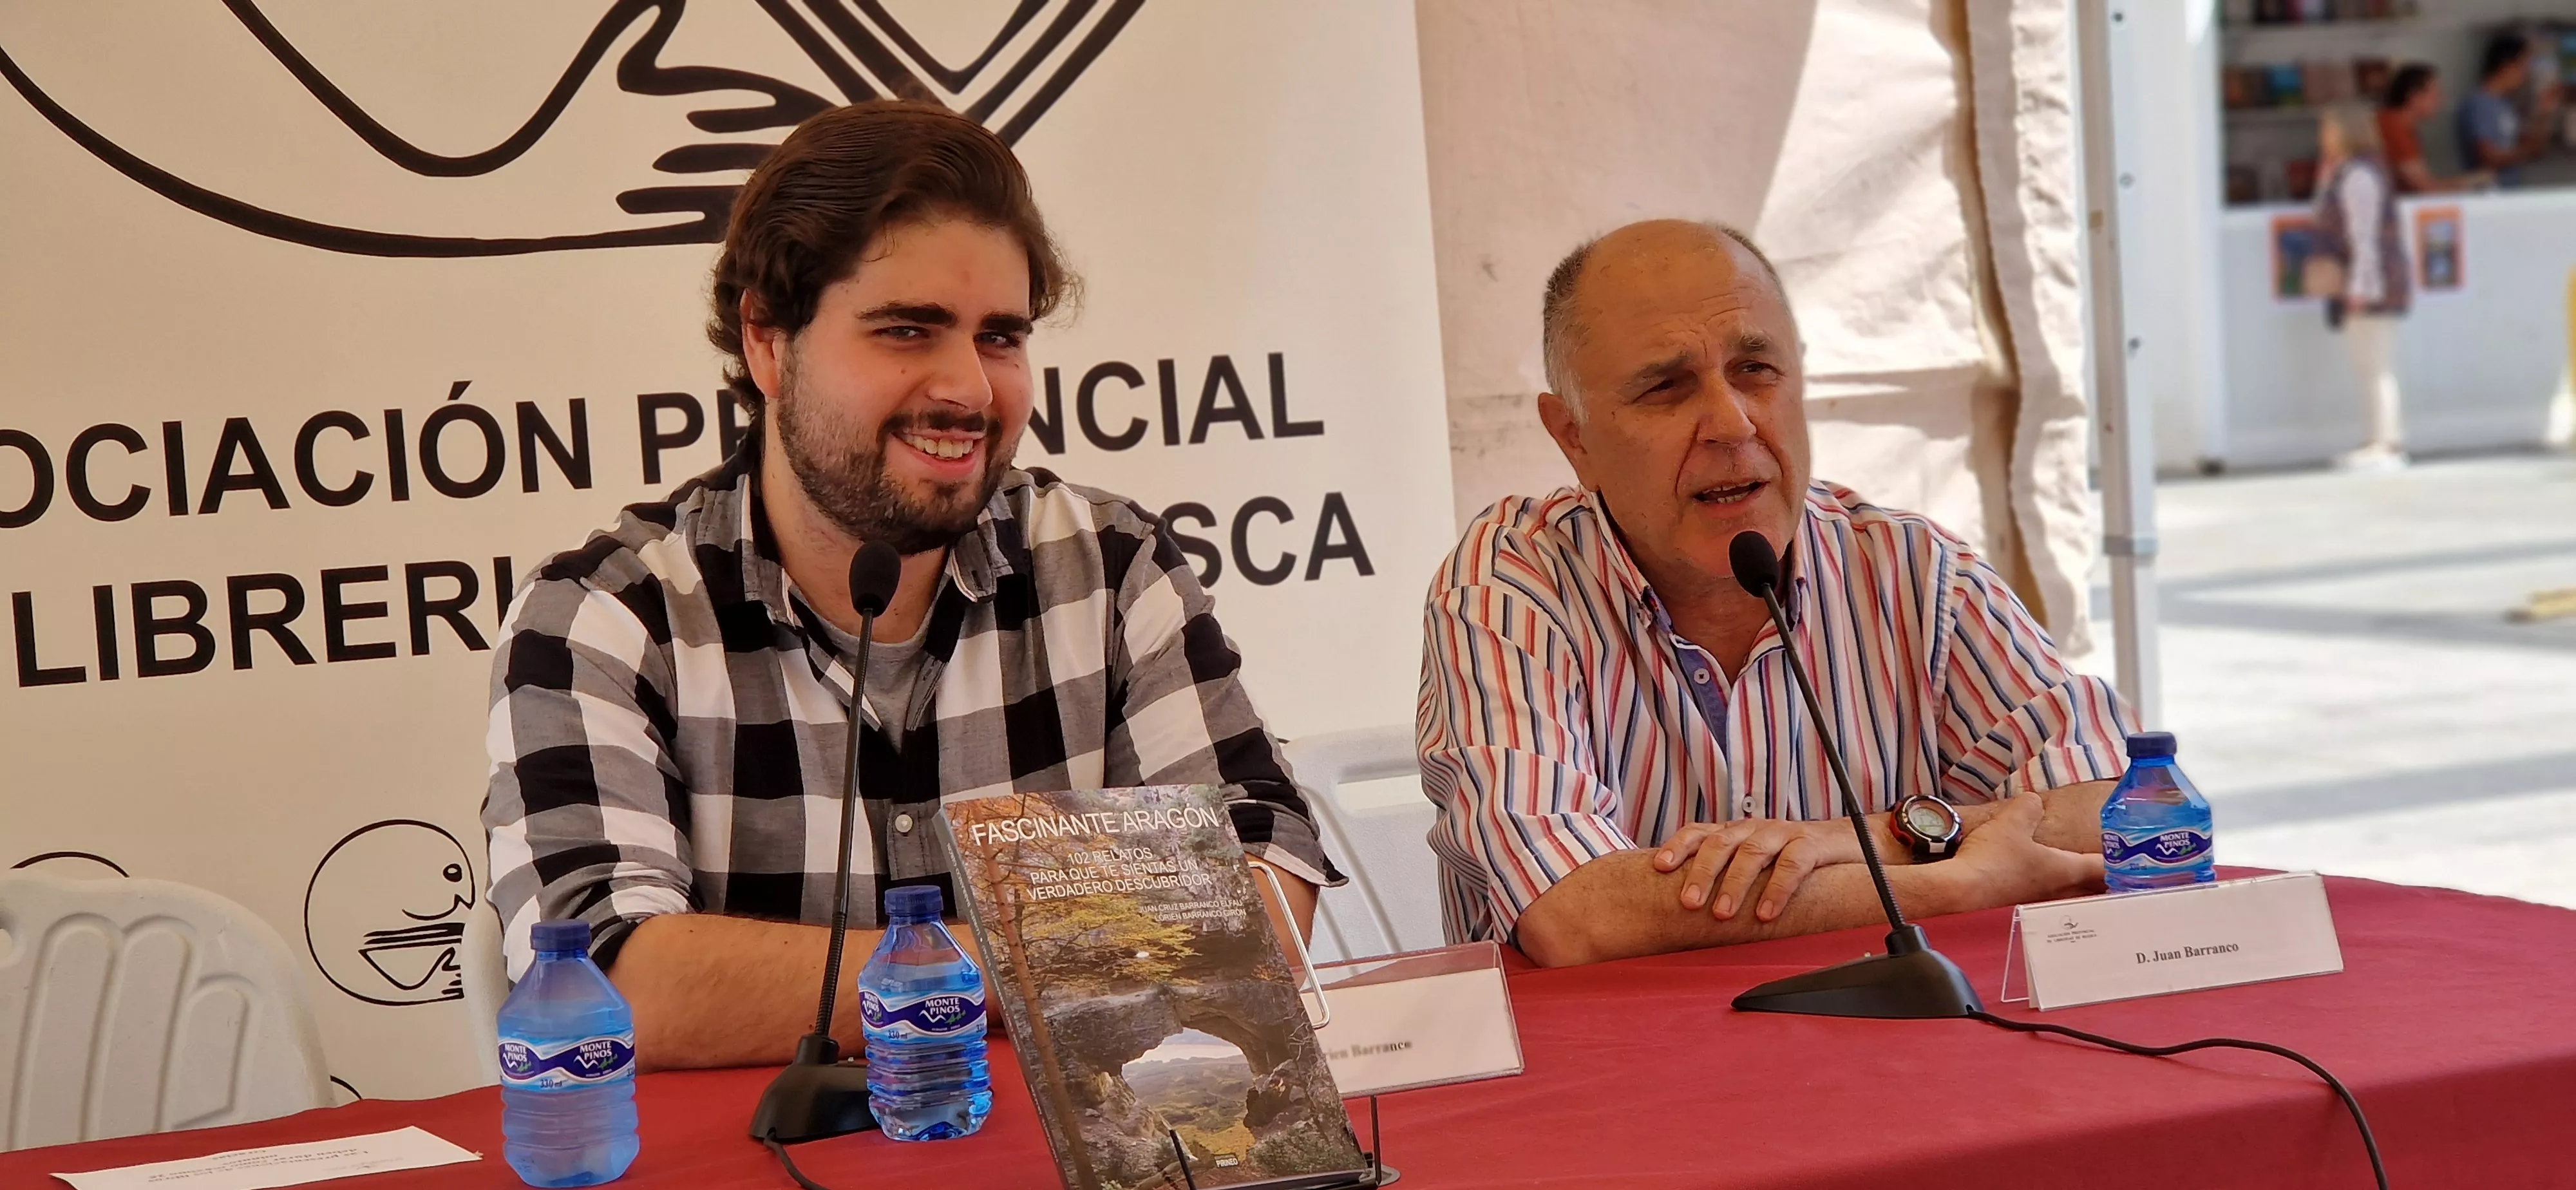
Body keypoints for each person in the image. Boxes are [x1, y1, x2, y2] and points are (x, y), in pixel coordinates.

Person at [482, 101, 1343, 1070]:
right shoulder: (603, 617)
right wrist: (1083, 964)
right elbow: (610, 986)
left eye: (1001, 337)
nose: (969, 388)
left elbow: (1261, 882)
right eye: (907, 330)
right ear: (766, 341)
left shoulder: (1108, 566)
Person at [1417, 220, 2132, 968]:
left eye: (1756, 370)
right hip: (1619, 1070)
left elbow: (2124, 811)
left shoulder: (1913, 571)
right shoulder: (1509, 586)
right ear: (1573, 437)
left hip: (1897, 1056)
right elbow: (1576, 915)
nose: (1731, 422)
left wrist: (1864, 838)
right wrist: (1946, 888)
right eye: (1666, 388)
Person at [2316, 104, 2413, 471]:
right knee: (2369, 363)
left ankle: (2385, 443)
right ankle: (2379, 438)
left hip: (2374, 285)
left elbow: (2365, 237)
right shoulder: (2349, 172)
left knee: (2375, 363)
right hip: (2374, 282)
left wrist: (2361, 288)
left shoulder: (2359, 176)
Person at [2458, 31, 2561, 187]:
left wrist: (2545, 113)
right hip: (2489, 197)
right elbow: (2489, 157)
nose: (2526, 74)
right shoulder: (2478, 104)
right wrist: (2527, 150)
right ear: (2507, 66)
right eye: (2524, 66)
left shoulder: (2505, 105)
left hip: (2511, 192)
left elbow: (2534, 149)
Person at [2378, 64, 2488, 194]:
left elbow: (2426, 183)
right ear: (2414, 96)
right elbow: (2426, 189)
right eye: (2435, 94)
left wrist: (2471, 181)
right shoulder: (2395, 127)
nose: (2440, 101)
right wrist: (2471, 186)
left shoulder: (2395, 123)